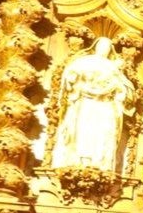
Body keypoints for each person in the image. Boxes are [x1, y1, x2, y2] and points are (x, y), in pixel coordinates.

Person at [52, 37, 135, 171]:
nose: (104, 49)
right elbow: (70, 75)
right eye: (102, 46)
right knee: (83, 130)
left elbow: (125, 88)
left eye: (107, 47)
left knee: (104, 132)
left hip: (104, 104)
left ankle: (101, 162)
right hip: (85, 103)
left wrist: (118, 88)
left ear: (110, 51)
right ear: (95, 46)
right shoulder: (84, 62)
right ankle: (78, 160)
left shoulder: (112, 67)